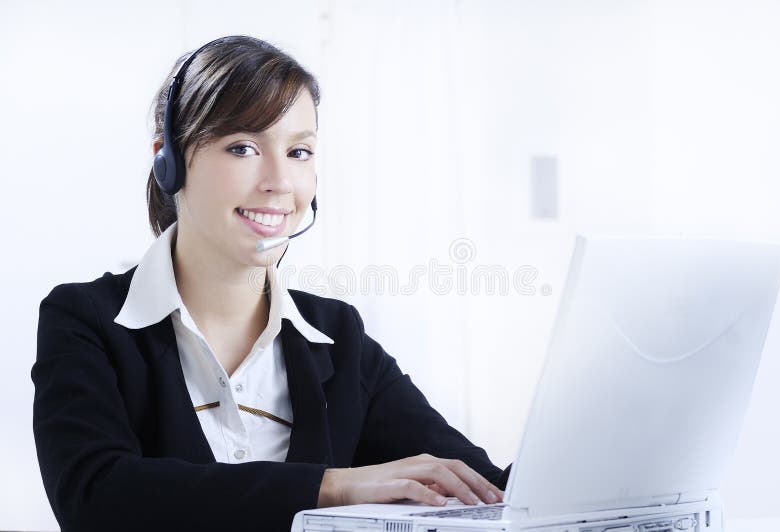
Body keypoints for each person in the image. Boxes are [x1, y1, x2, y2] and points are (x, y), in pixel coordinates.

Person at [32, 35, 510, 532]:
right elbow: (96, 498)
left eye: (299, 151)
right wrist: (332, 486)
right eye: (243, 147)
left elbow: (485, 487)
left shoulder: (337, 336)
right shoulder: (87, 320)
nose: (280, 181)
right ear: (167, 161)